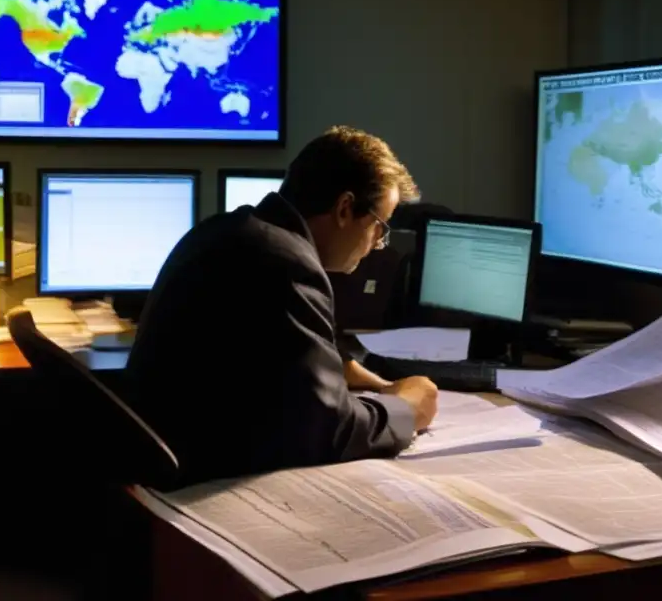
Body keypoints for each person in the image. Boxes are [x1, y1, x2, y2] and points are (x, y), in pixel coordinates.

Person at [126, 126, 439, 486]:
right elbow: (329, 429)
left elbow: (281, 352)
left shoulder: (229, 231)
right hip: (194, 481)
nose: (378, 245)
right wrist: (406, 409)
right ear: (344, 209)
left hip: (156, 462)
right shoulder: (286, 262)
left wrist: (371, 382)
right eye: (379, 227)